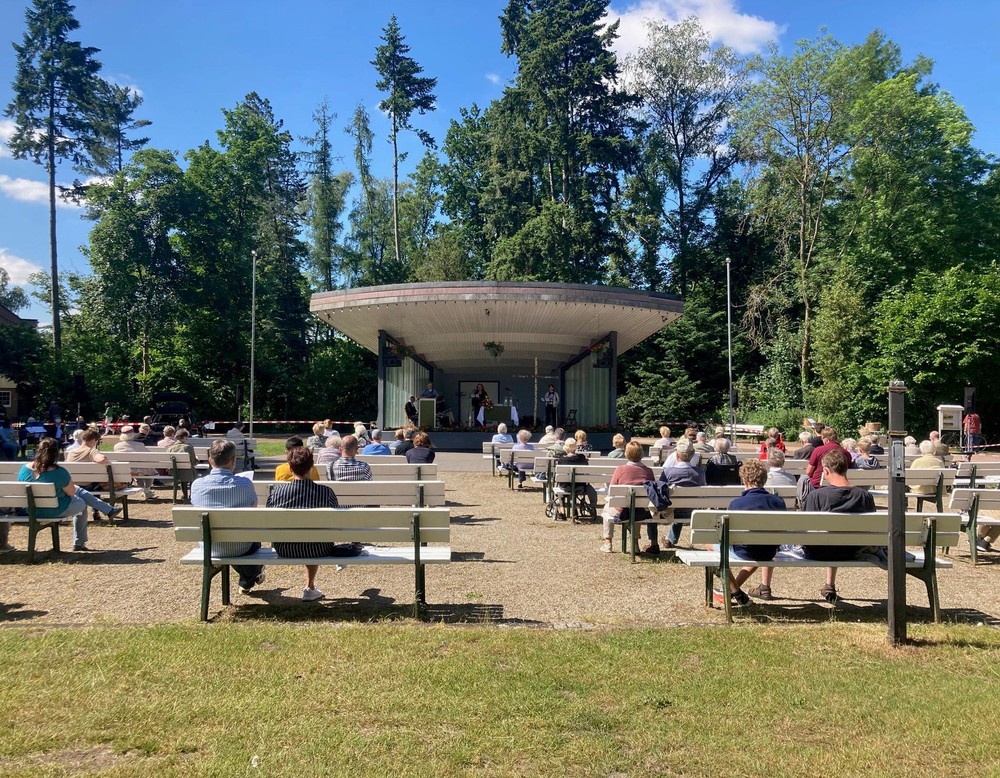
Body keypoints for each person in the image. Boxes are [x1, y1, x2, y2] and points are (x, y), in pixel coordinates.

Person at [268, 446, 360, 602]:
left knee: (309, 534)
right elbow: (335, 523)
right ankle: (310, 587)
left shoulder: (277, 492)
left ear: (290, 468)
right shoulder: (326, 492)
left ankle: (310, 587)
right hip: (320, 547)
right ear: (312, 467)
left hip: (284, 548)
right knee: (315, 535)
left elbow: (270, 522)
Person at [801, 448, 877, 604]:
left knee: (827, 538)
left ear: (826, 471)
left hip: (819, 552)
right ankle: (829, 584)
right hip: (853, 550)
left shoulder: (816, 495)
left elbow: (806, 529)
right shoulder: (865, 496)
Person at [190, 439, 265, 595]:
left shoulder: (197, 485)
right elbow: (253, 508)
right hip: (242, 547)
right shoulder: (245, 484)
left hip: (210, 546)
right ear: (233, 461)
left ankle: (249, 577)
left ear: (210, 460)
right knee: (248, 539)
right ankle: (249, 576)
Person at [17, 437, 119, 552]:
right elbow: (71, 492)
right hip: (54, 509)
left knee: (78, 491)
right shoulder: (59, 472)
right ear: (57, 453)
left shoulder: (24, 469)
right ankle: (79, 542)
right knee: (82, 502)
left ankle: (109, 510)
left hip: (31, 509)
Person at [723, 459, 786, 605]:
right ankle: (733, 590)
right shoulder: (778, 502)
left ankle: (734, 590)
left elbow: (730, 536)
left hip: (745, 551)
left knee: (709, 545)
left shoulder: (736, 504)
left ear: (744, 480)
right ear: (764, 479)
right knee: (757, 548)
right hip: (768, 551)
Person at [600, 440, 656, 552]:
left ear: (626, 454)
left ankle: (608, 542)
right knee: (636, 508)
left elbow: (612, 490)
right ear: (641, 454)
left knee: (607, 508)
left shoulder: (620, 470)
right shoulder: (648, 471)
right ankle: (634, 543)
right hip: (640, 510)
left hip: (621, 509)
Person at [658, 440, 706, 549]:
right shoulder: (700, 473)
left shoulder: (668, 472)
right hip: (692, 511)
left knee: (676, 505)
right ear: (693, 454)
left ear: (676, 455)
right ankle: (670, 539)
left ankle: (654, 543)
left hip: (671, 510)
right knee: (683, 503)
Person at [554, 438, 596, 517]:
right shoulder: (582, 458)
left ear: (565, 448)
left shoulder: (562, 460)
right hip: (580, 486)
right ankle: (577, 508)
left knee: (560, 486)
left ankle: (562, 510)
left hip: (566, 487)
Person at [113, 425, 155, 499]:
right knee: (148, 468)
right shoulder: (140, 445)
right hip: (138, 470)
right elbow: (149, 456)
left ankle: (144, 489)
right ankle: (147, 490)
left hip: (124, 471)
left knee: (137, 468)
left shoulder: (117, 446)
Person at [167, 428, 198, 501]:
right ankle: (191, 494)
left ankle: (185, 495)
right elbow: (193, 462)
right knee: (191, 470)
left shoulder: (170, 448)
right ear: (184, 437)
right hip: (188, 472)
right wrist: (197, 460)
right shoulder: (188, 447)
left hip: (175, 472)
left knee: (183, 473)